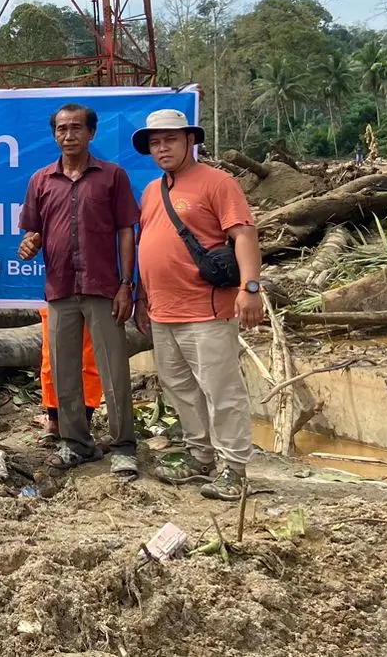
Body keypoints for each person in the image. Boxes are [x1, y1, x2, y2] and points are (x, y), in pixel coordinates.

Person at [132, 108, 265, 501]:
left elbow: (243, 235)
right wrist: (142, 297)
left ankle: (235, 469)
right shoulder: (153, 190)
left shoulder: (217, 183)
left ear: (190, 140)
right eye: (155, 143)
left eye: (170, 139)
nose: (162, 148)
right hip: (162, 310)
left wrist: (250, 288)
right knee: (179, 387)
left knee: (222, 390)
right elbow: (148, 245)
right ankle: (201, 455)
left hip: (206, 309)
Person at [18, 103, 141, 475]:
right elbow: (34, 229)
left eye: (76, 128)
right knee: (64, 370)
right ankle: (77, 443)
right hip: (59, 288)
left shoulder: (111, 176)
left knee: (113, 369)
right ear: (54, 134)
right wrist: (30, 243)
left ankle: (123, 446)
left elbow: (126, 230)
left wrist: (126, 284)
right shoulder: (41, 180)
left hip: (104, 287)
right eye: (61, 129)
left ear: (91, 133)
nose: (68, 135)